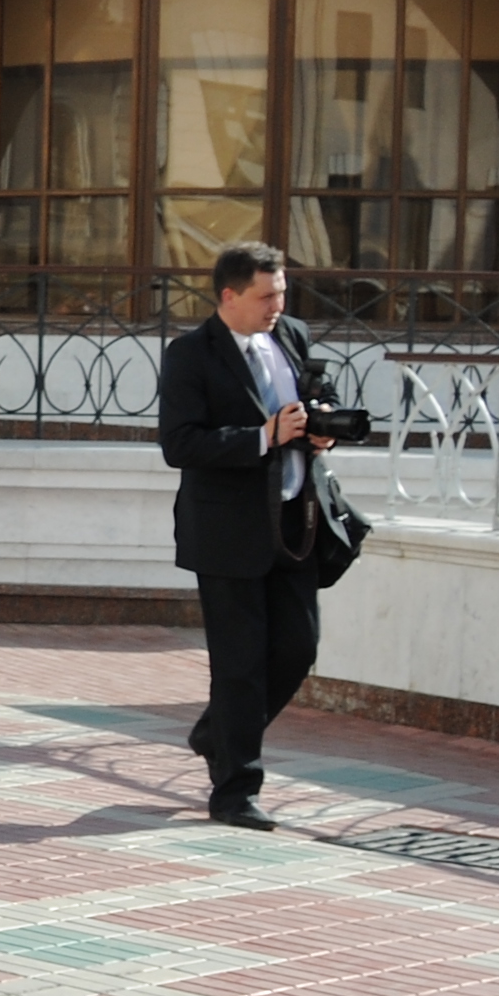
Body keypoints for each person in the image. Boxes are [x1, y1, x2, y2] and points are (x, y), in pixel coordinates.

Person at [159, 241, 347, 831]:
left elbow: (317, 397)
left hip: (294, 523)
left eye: (282, 293)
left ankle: (217, 732)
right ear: (229, 296)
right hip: (227, 531)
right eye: (266, 296)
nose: (277, 306)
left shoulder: (291, 334)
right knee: (239, 664)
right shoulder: (190, 355)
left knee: (298, 649)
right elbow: (180, 444)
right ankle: (235, 791)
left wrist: (322, 427)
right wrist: (264, 436)